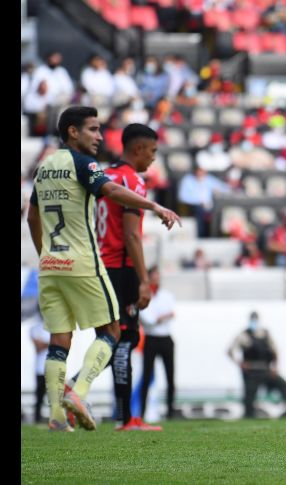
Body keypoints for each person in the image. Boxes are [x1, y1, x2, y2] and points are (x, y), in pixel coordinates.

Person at [26, 106, 180, 432]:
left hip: (50, 265)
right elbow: (110, 193)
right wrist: (155, 205)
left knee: (59, 340)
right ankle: (79, 393)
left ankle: (55, 414)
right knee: (113, 331)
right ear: (72, 131)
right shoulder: (86, 165)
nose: (99, 137)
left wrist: (45, 255)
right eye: (93, 130)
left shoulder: (44, 166)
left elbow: (31, 218)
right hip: (86, 262)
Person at [93, 123, 165, 432]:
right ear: (137, 149)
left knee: (108, 340)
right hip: (120, 269)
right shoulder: (131, 180)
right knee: (125, 341)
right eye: (152, 152)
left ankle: (74, 392)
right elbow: (133, 237)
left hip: (96, 266)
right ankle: (126, 418)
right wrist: (143, 281)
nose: (153, 158)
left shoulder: (103, 177)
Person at [228, 312, 286, 418]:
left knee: (284, 385)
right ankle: (249, 415)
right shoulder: (244, 335)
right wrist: (241, 364)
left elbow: (275, 351)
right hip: (251, 372)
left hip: (266, 369)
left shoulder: (266, 334)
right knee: (249, 396)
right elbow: (230, 351)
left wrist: (275, 367)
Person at [138, 266, 179, 420]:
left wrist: (158, 318)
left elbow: (170, 314)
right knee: (146, 377)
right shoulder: (144, 296)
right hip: (151, 339)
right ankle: (141, 413)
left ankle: (170, 412)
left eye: (157, 276)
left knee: (170, 377)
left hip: (165, 338)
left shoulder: (167, 295)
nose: (156, 279)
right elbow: (148, 320)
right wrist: (160, 318)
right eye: (153, 276)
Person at [29, 309, 50, 424]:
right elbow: (39, 346)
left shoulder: (52, 326)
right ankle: (37, 419)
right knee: (39, 396)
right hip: (40, 369)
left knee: (56, 396)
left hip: (51, 368)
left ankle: (57, 418)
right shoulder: (35, 327)